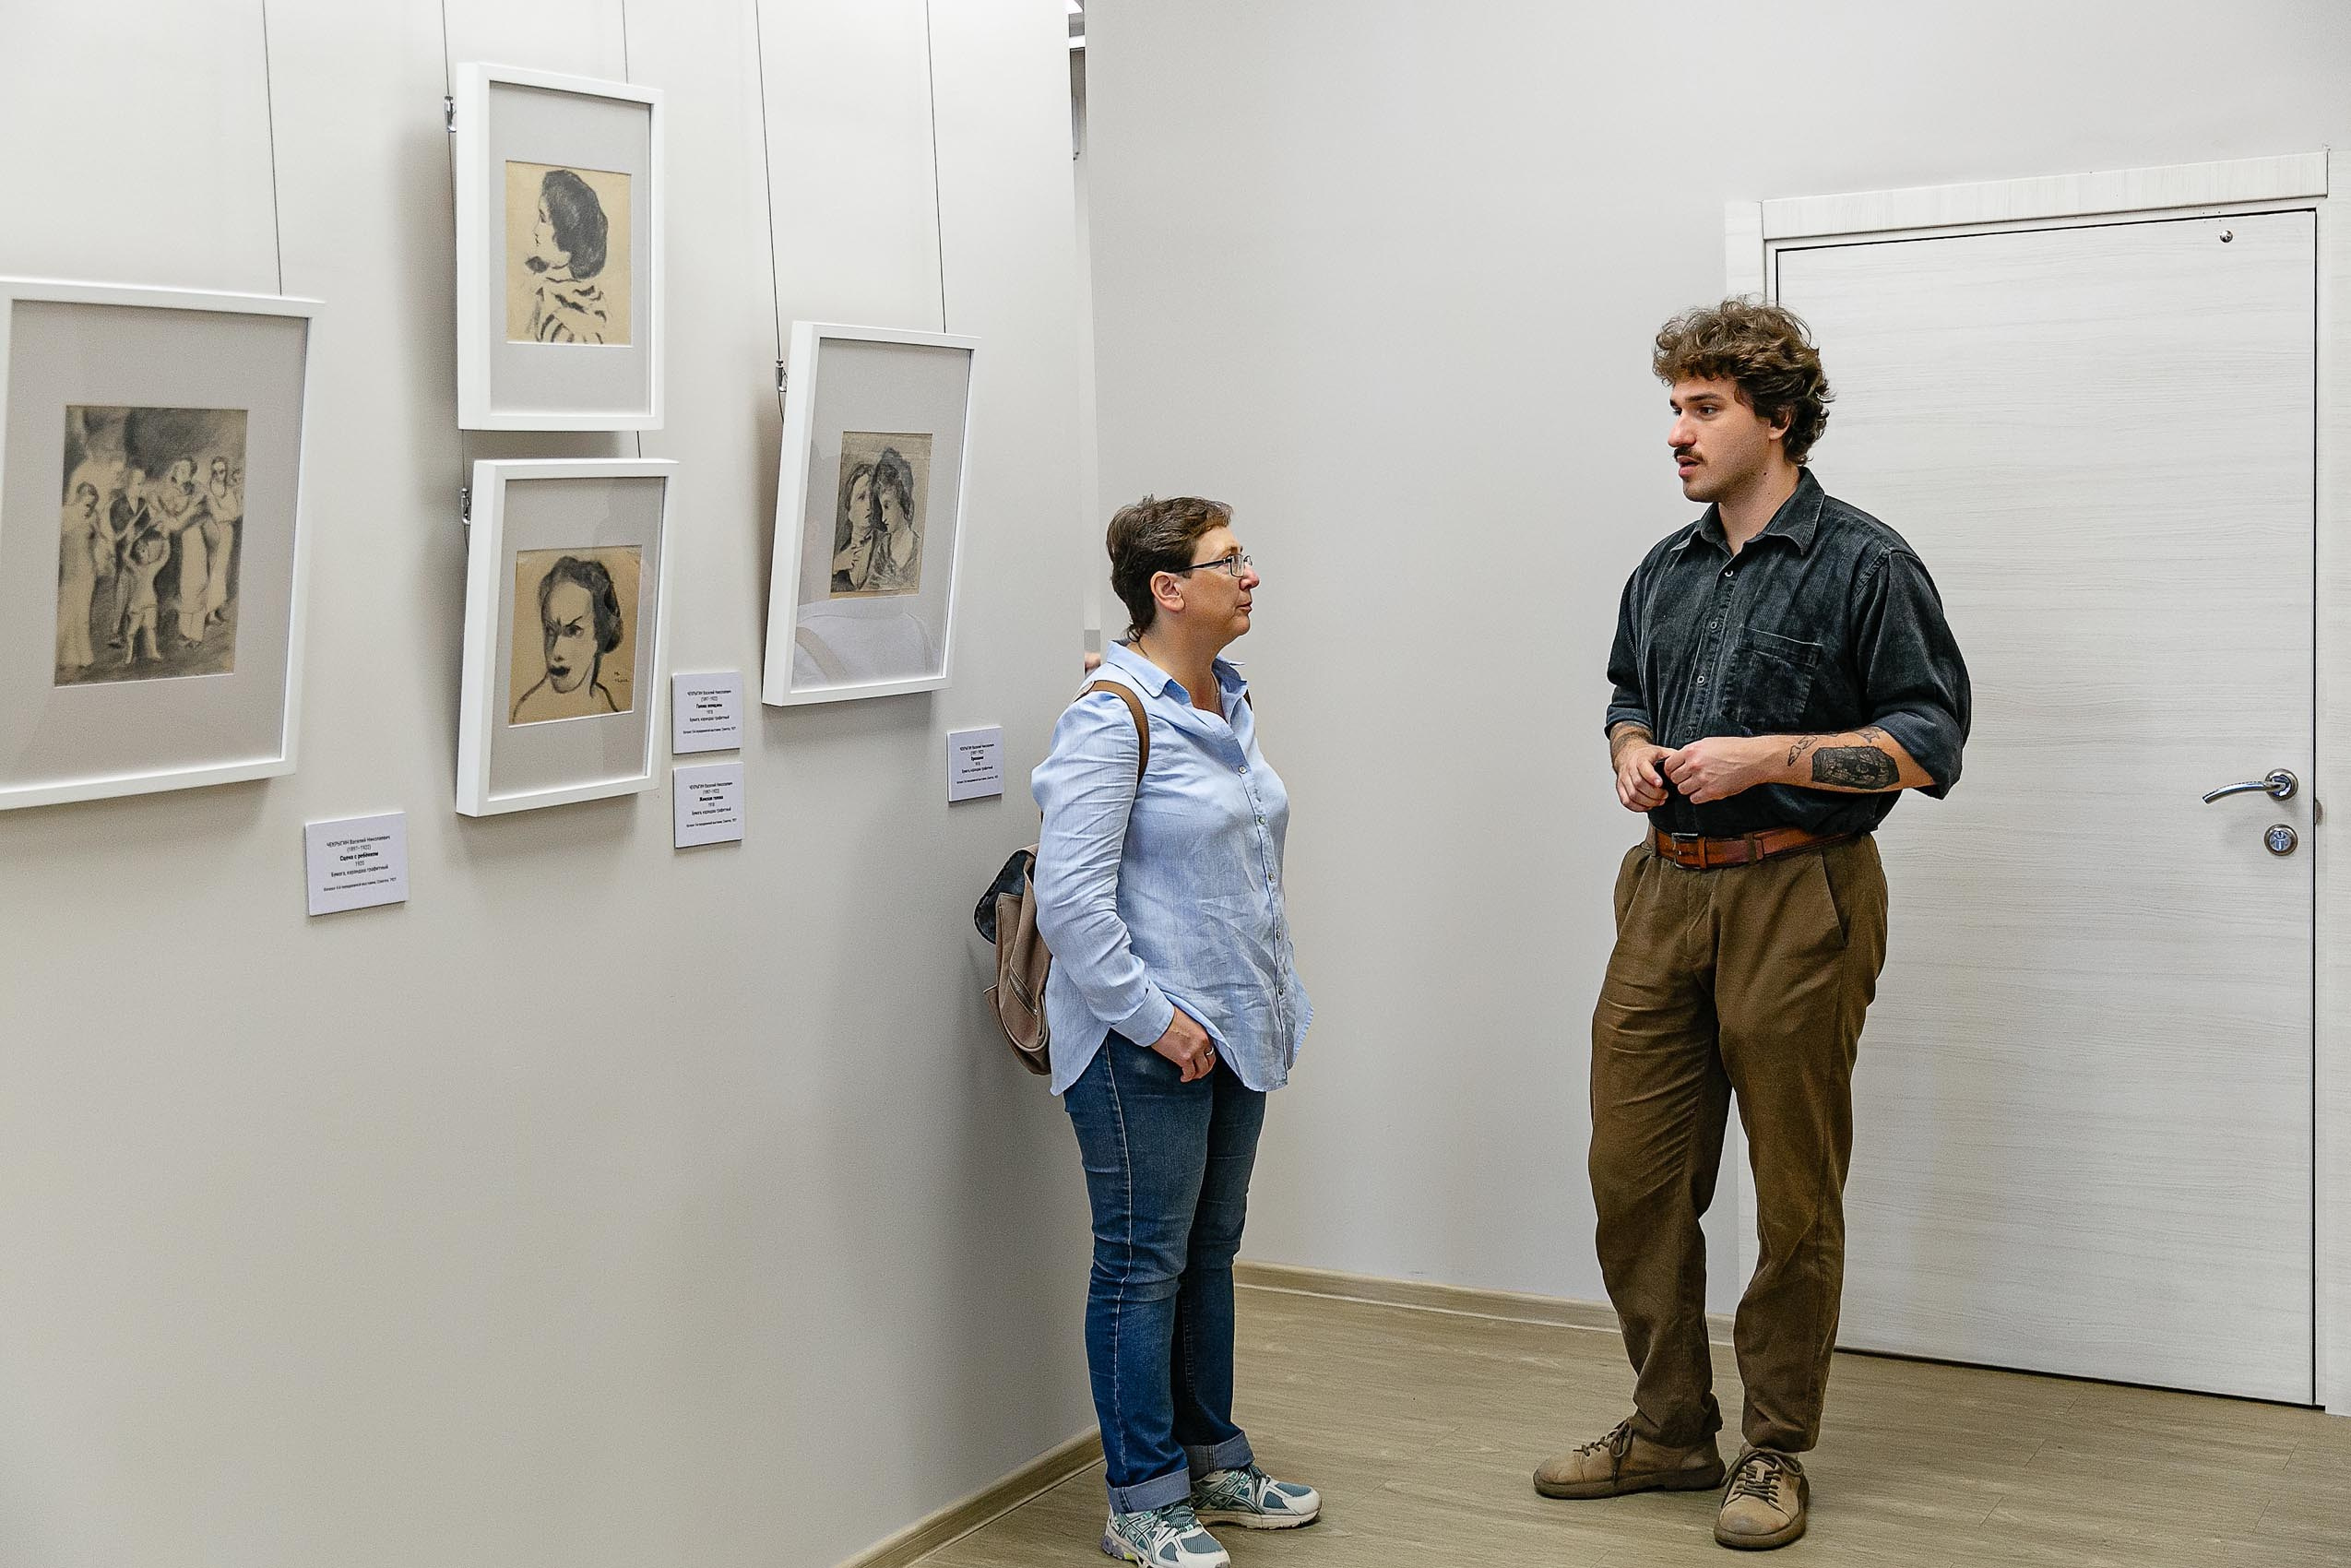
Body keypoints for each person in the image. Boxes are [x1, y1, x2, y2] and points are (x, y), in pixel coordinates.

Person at [1535, 300, 1970, 1551]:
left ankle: (1774, 1447)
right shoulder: (1662, 571)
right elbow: (1627, 691)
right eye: (1673, 406)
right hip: (1663, 888)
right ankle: (1669, 1428)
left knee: (1793, 1186)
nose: (1677, 431)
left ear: (1774, 419)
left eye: (1704, 408)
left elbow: (1927, 748)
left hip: (1800, 891)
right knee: (1631, 1174)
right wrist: (1629, 749)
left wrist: (1771, 755)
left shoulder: (1865, 564)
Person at [1031, 495, 1321, 1568]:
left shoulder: (1225, 703)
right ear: (1167, 589)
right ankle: (1139, 1496)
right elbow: (1067, 900)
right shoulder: (1112, 716)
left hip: (1237, 1028)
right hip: (1137, 1047)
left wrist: (1258, 1004)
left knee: (1207, 1248)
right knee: (1141, 1260)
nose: (1248, 575)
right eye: (1227, 560)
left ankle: (1211, 1457)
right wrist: (1158, 1020)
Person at [510, 554, 627, 722]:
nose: (557, 651)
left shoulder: (611, 712)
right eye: (550, 630)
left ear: (601, 634)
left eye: (573, 631)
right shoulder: (525, 715)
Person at [523, 168, 614, 344]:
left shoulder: (572, 328)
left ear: (566, 234)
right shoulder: (543, 291)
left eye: (543, 219)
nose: (536, 230)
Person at [830, 445, 920, 593]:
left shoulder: (884, 545)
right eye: (861, 497)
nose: (869, 505)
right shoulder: (838, 551)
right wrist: (834, 566)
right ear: (849, 509)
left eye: (872, 498)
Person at [56, 481, 102, 674]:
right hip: (69, 571)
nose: (89, 509)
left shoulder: (94, 517)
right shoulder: (64, 514)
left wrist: (96, 565)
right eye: (86, 504)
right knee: (65, 612)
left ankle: (85, 657)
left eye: (92, 505)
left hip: (87, 572)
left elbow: (97, 544)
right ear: (78, 498)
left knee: (83, 614)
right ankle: (59, 656)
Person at [200, 456, 241, 628]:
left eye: (222, 471)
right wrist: (228, 513)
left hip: (227, 533)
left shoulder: (229, 490)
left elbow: (236, 513)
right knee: (213, 569)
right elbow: (218, 515)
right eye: (215, 472)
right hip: (214, 533)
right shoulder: (209, 492)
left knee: (221, 571)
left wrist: (227, 513)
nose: (219, 475)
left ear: (226, 471)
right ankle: (208, 613)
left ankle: (215, 611)